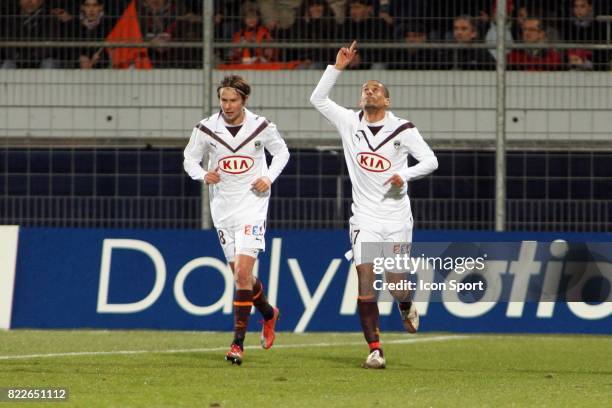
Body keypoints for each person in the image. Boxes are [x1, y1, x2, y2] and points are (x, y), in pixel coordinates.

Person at [310, 41, 438, 369]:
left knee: (396, 286)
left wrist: (403, 174)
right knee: (366, 281)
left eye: (376, 89)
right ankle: (375, 349)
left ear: (387, 99)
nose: (369, 92)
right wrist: (337, 67)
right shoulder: (349, 123)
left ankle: (406, 304)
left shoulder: (402, 129)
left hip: (396, 217)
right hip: (363, 216)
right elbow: (318, 99)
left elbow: (430, 161)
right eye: (365, 89)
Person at [183, 74, 289, 365]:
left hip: (253, 206)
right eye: (223, 99)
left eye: (233, 100)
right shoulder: (206, 129)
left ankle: (237, 344)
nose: (227, 105)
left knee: (243, 273)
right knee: (242, 277)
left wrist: (268, 177)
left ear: (244, 100)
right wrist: (203, 174)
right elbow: (189, 159)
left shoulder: (261, 127)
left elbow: (281, 153)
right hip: (222, 208)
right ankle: (269, 313)